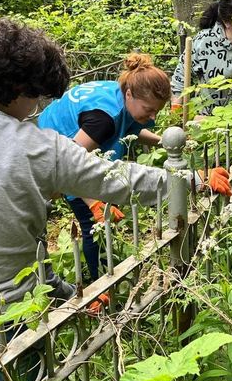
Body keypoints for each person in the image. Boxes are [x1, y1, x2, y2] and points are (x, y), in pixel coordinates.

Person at [0, 17, 227, 325]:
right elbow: (121, 179)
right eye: (38, 94)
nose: (38, 106)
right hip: (8, 324)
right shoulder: (40, 148)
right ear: (21, 89)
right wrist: (195, 179)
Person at [37, 53, 171, 281]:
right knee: (93, 224)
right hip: (56, 141)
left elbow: (133, 129)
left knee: (104, 215)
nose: (153, 116)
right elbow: (69, 165)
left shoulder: (125, 93)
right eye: (149, 110)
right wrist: (93, 201)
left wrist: (163, 142)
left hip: (80, 140)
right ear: (129, 95)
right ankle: (99, 283)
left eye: (157, 111)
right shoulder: (103, 120)